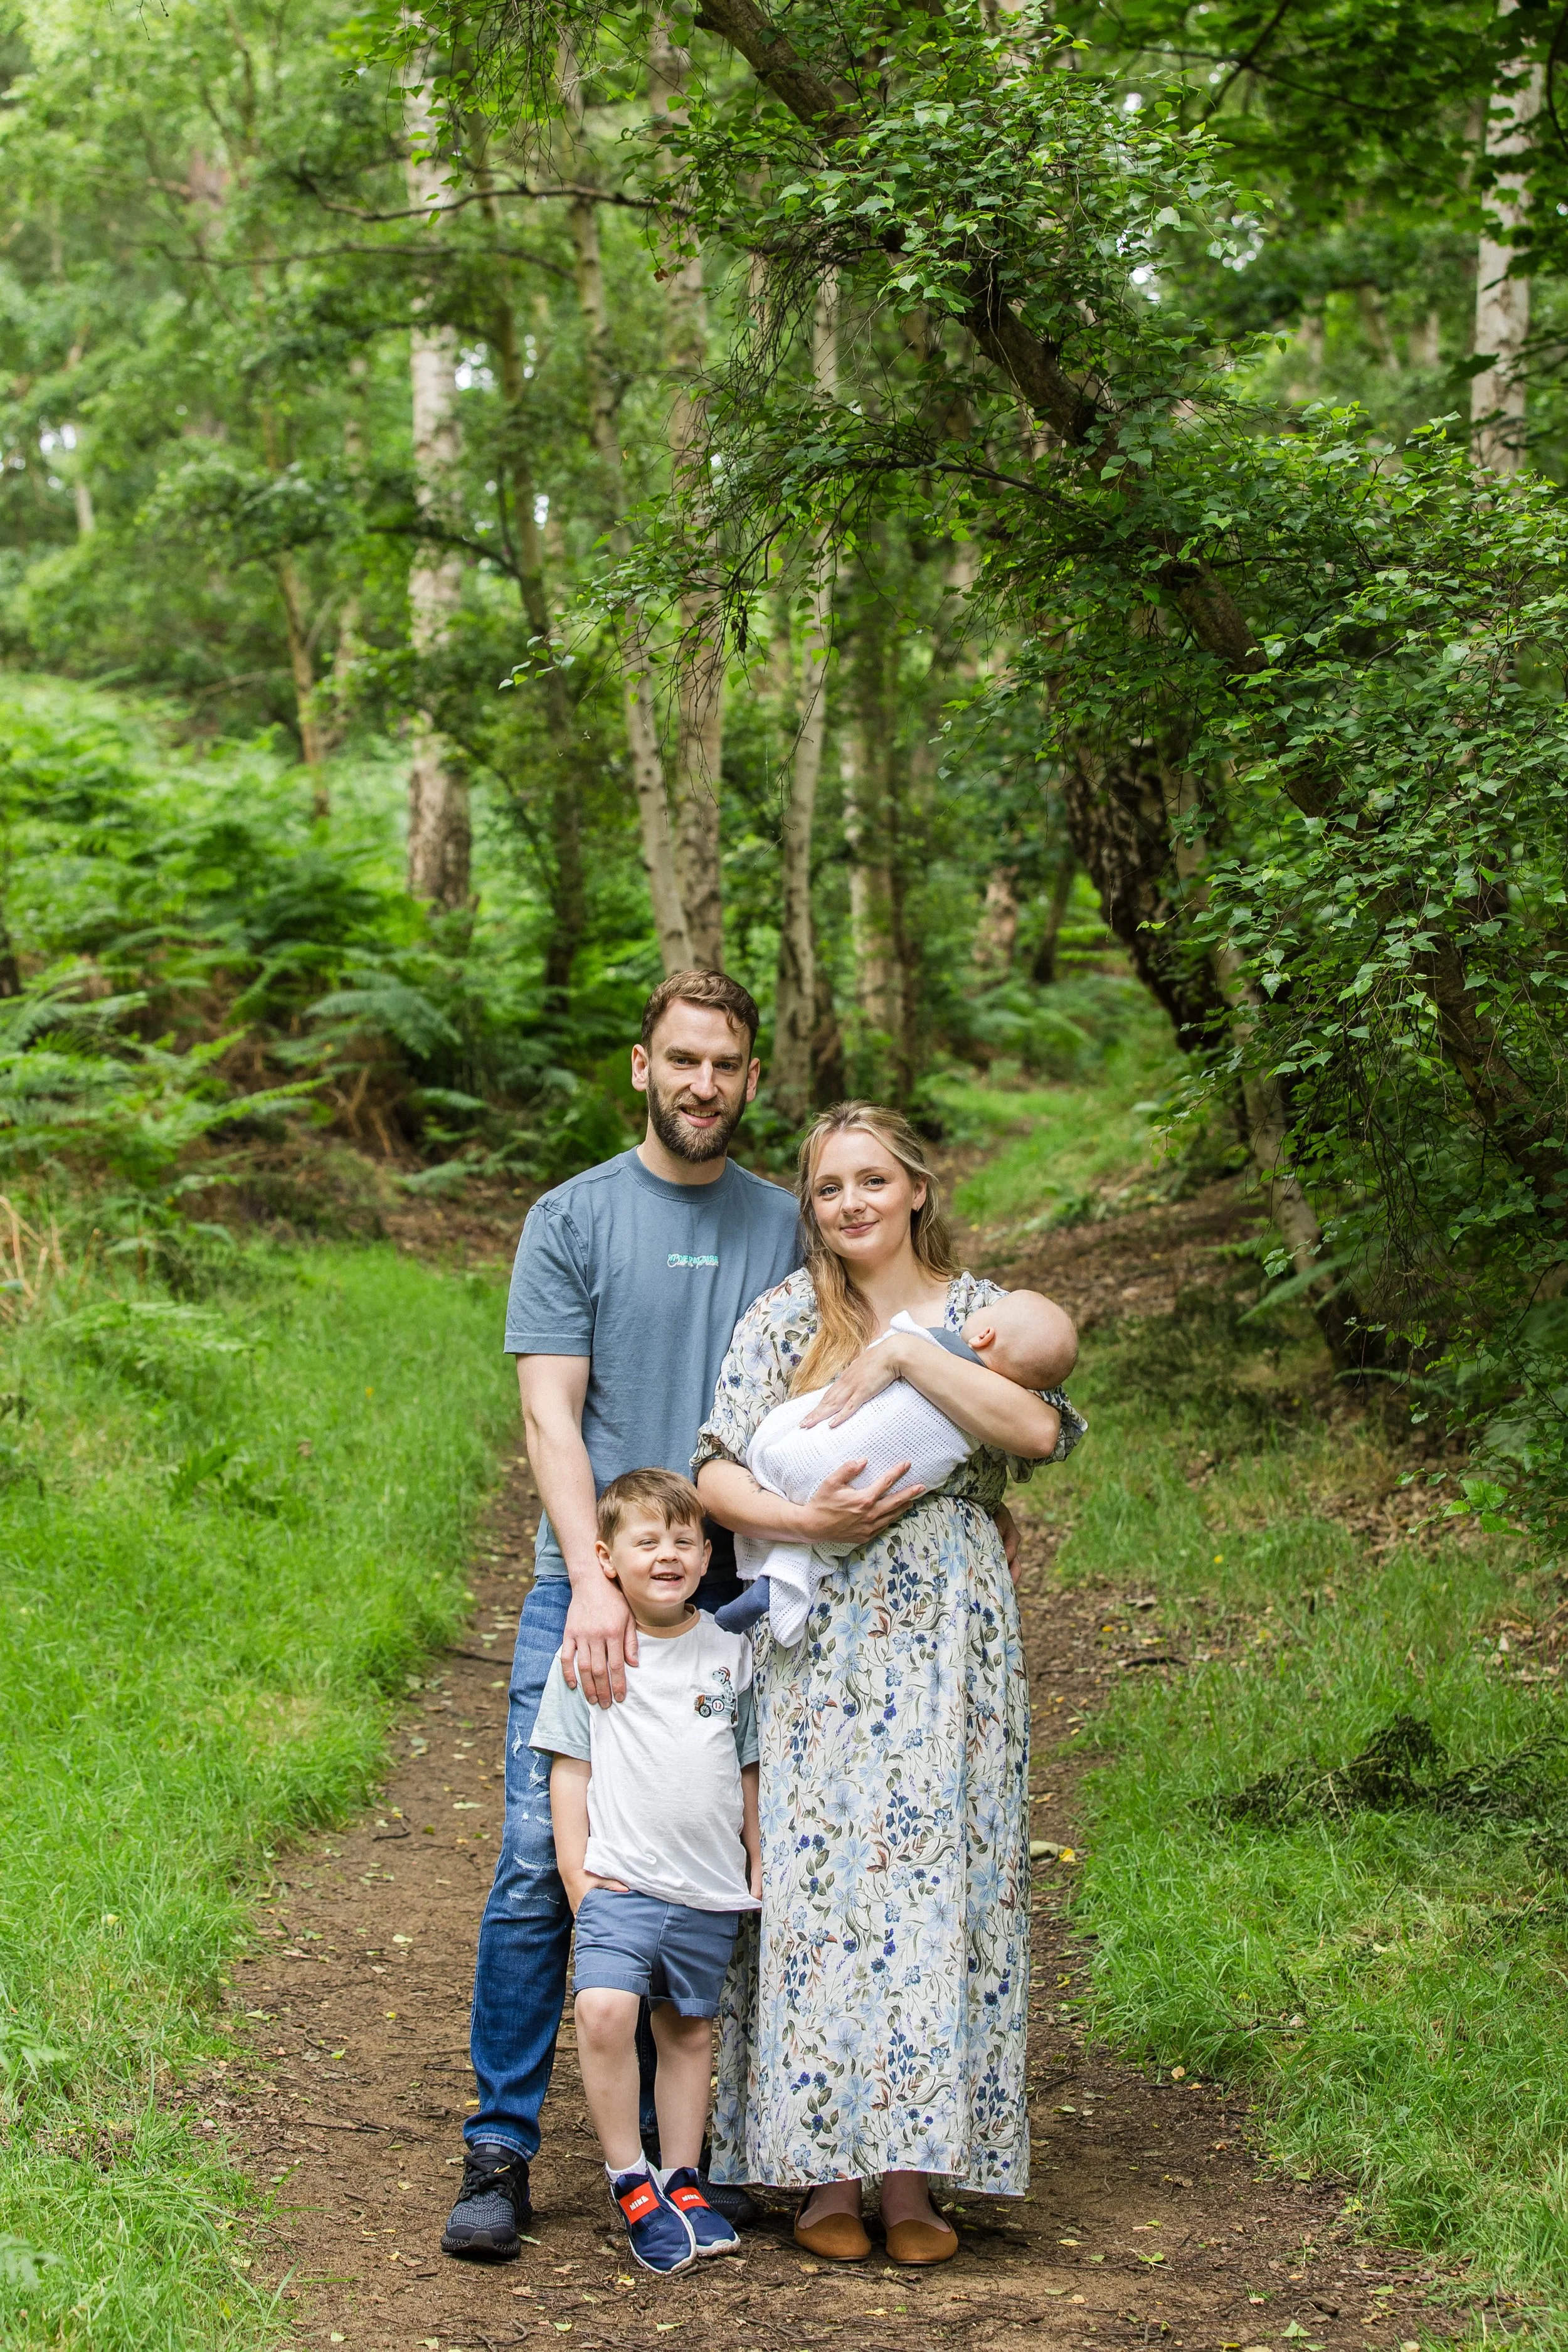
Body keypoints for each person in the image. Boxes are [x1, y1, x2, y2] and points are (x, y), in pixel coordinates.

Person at [442, 970, 801, 2262]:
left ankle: (696, 2154)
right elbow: (549, 1413)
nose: (704, 1084)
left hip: (734, 1596)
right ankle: (500, 2145)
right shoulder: (572, 1216)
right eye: (683, 1060)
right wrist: (593, 1581)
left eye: (727, 1064)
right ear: (641, 1068)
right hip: (588, 1589)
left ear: (751, 1079)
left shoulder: (785, 1225)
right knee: (549, 1866)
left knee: (730, 1862)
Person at [694, 1101, 1086, 2267]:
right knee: (820, 1884)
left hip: (951, 1627)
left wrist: (915, 1354)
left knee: (935, 1883)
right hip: (821, 1629)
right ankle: (819, 2171)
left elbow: (1040, 1434)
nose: (853, 1203)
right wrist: (801, 1514)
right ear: (811, 1208)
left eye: (874, 1180)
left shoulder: (982, 1317)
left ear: (917, 1188)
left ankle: (915, 2179)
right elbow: (714, 1470)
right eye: (829, 1188)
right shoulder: (783, 1319)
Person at [531, 1468, 761, 2275]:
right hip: (619, 1882)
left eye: (684, 1541)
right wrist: (574, 1874)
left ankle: (683, 2181)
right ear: (606, 1557)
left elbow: (749, 1769)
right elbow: (569, 1768)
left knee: (687, 2030)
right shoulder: (591, 1653)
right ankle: (631, 2176)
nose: (668, 1555)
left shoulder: (732, 1652)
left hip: (706, 1886)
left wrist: (757, 1864)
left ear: (707, 1556)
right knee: (601, 2011)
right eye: (647, 1541)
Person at [715, 1288, 1078, 1644]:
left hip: (949, 1613)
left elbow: (1042, 1433)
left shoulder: (973, 1308)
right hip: (830, 1625)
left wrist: (905, 1353)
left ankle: (777, 1582)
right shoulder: (785, 1311)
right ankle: (780, 1584)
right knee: (830, 1531)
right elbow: (716, 1469)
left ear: (984, 1334)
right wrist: (809, 1524)